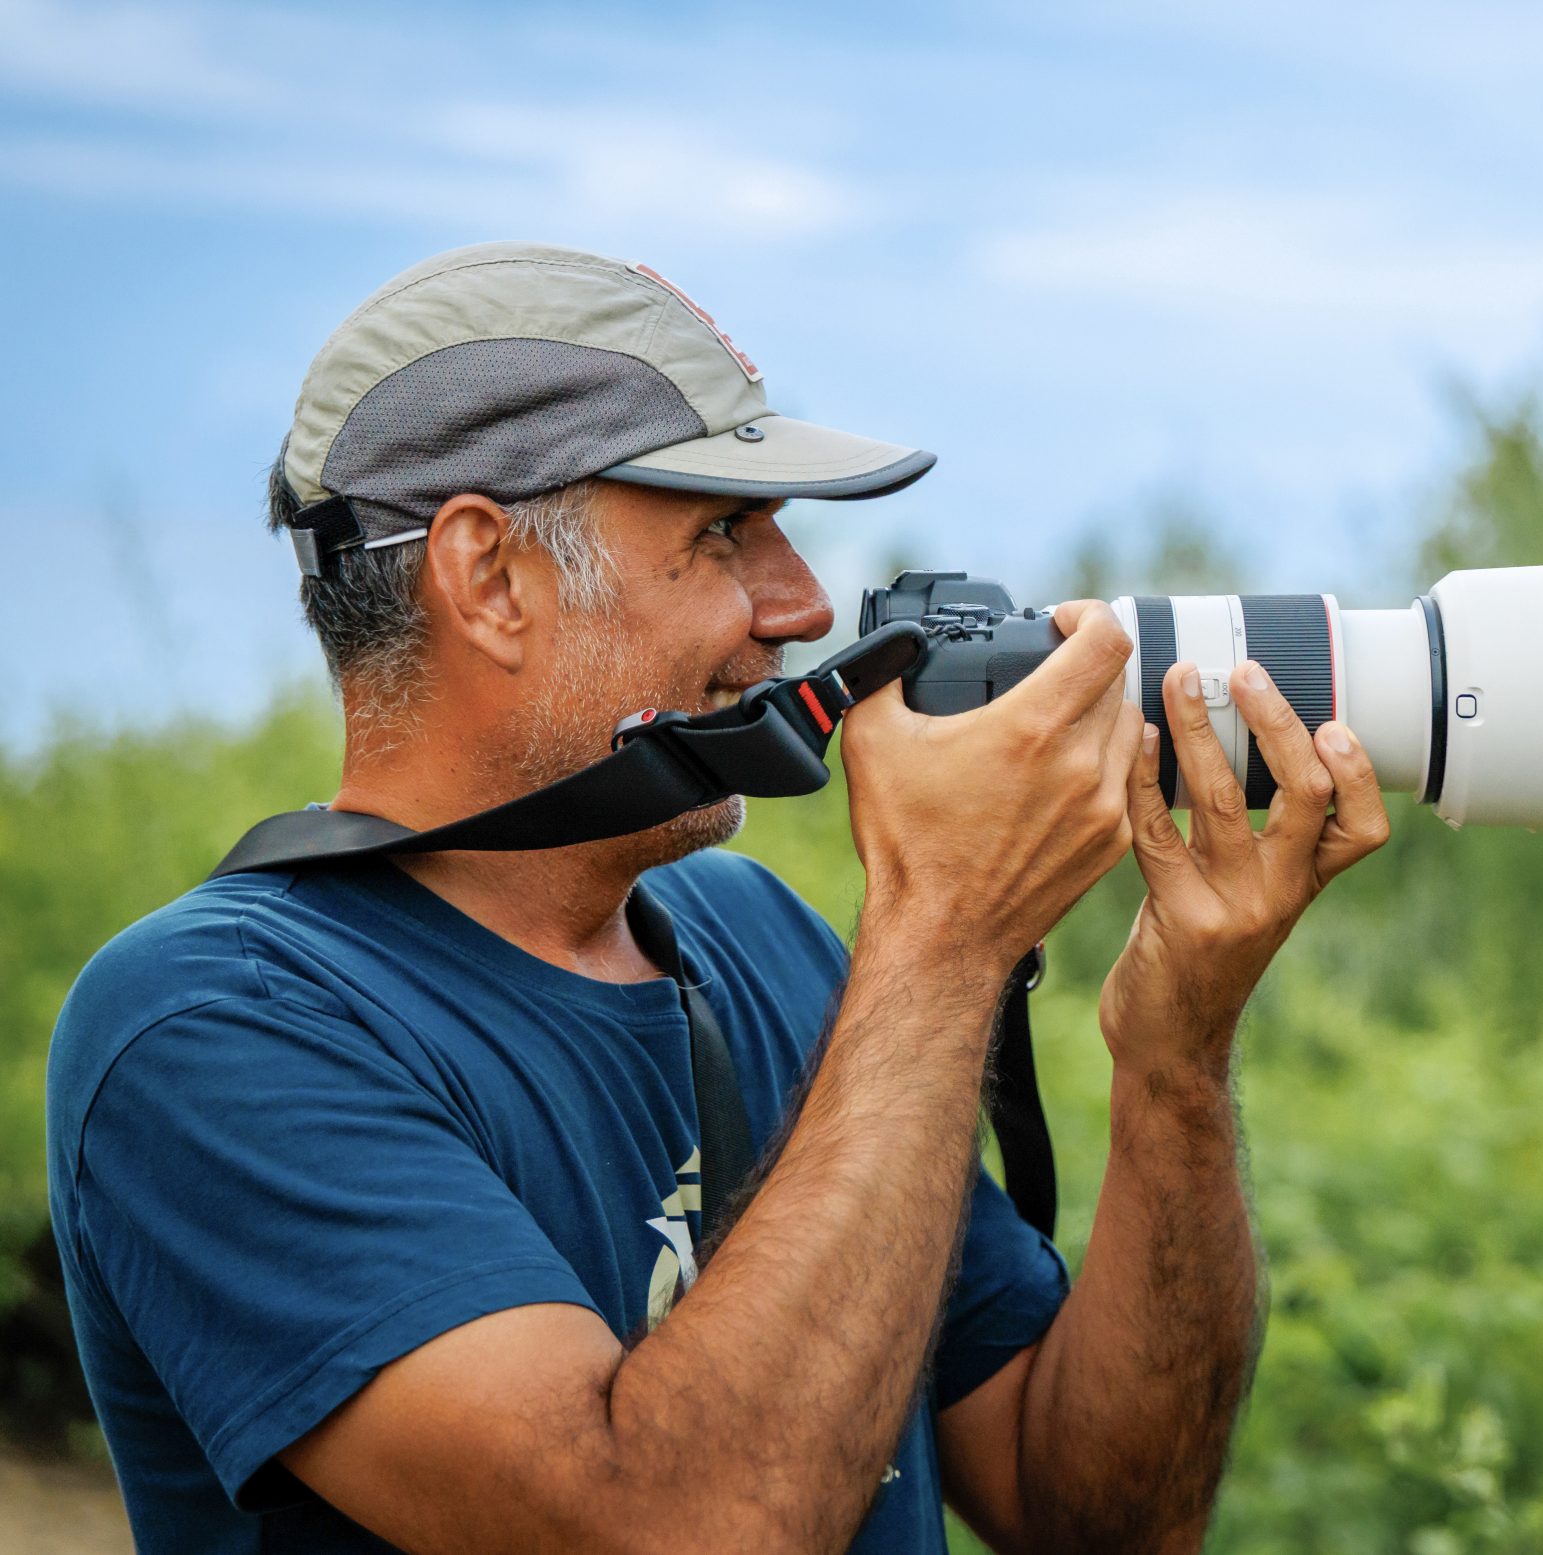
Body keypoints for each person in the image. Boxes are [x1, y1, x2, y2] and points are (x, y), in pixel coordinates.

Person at [42, 242, 1390, 1554]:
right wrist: (943, 934)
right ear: (489, 579)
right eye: (725, 534)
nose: (802, 606)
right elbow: (679, 1529)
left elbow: (1101, 1516)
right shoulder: (216, 1029)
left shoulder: (756, 940)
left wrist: (1177, 1056)